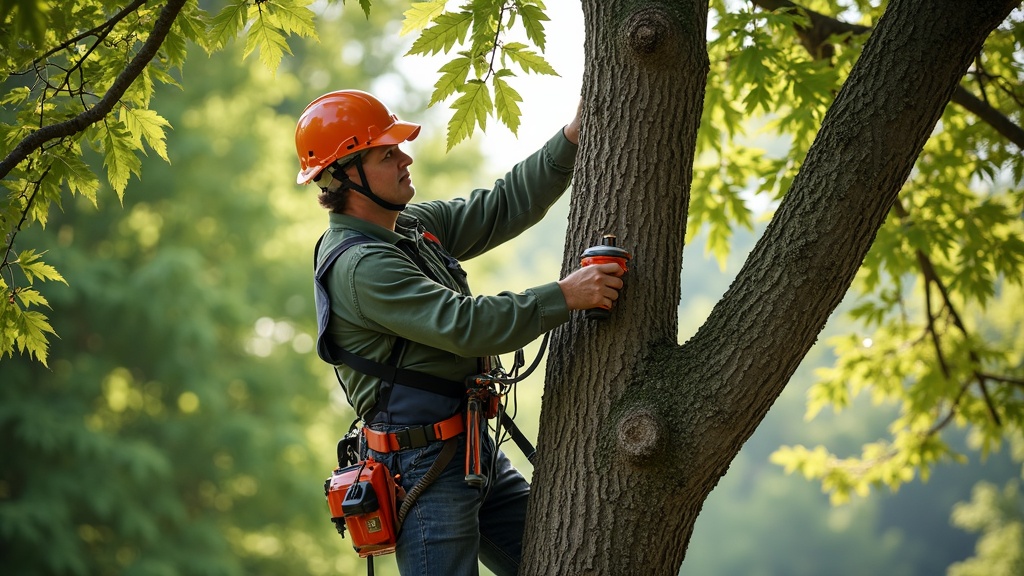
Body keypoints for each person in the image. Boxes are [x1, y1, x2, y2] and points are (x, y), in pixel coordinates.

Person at [296, 89, 623, 575]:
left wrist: (571, 139)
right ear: (345, 176)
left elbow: (499, 207)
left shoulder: (408, 229)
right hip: (421, 470)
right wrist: (566, 295)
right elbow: (468, 326)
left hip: (467, 449)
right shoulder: (363, 266)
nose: (406, 158)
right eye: (388, 154)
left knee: (570, 563)